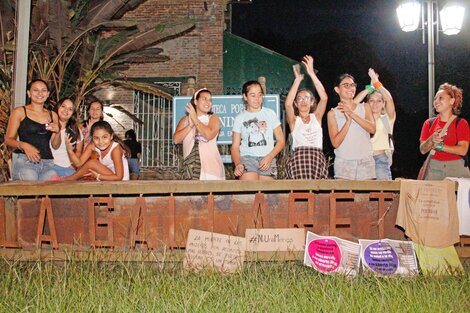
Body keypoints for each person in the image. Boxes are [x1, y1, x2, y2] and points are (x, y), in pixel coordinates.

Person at [5, 79, 60, 180]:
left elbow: (55, 145)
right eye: (35, 90)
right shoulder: (19, 112)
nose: (40, 93)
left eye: (43, 90)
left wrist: (57, 132)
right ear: (29, 93)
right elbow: (8, 139)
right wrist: (24, 145)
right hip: (26, 161)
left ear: (47, 94)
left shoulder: (53, 115)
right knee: (29, 187)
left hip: (48, 163)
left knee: (49, 190)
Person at [231, 80, 285, 180]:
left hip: (268, 158)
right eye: (253, 95)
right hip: (247, 158)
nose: (257, 98)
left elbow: (281, 141)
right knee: (250, 190)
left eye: (260, 95)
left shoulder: (270, 114)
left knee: (267, 194)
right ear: (245, 97)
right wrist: (238, 164)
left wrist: (270, 157)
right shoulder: (239, 118)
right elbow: (235, 147)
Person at [285, 55, 328, 179]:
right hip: (299, 159)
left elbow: (324, 98)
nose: (303, 101)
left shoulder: (317, 117)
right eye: (299, 98)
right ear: (296, 104)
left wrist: (311, 73)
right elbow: (287, 104)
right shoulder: (294, 121)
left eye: (306, 98)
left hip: (316, 158)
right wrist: (297, 80)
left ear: (312, 102)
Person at [327, 74, 376, 180]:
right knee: (344, 197)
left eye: (353, 85)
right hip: (344, 164)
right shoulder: (332, 113)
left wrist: (351, 114)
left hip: (365, 163)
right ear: (337, 89)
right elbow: (335, 143)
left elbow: (372, 129)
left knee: (365, 197)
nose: (351, 88)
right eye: (346, 85)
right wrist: (348, 122)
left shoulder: (365, 107)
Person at [419, 83, 470, 180]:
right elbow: (422, 150)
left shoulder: (461, 123)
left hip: (456, 168)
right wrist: (431, 140)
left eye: (440, 98)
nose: (436, 101)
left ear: (452, 101)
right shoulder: (428, 123)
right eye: (435, 99)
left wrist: (440, 146)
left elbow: (463, 150)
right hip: (434, 167)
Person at [173, 88, 225, 180]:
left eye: (210, 100)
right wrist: (190, 125)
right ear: (196, 101)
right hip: (191, 169)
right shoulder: (185, 120)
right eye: (204, 99)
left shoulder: (213, 118)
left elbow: (209, 135)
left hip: (212, 169)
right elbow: (176, 140)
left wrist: (195, 119)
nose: (208, 102)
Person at [355, 68, 396, 180]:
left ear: (383, 104)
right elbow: (353, 104)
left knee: (383, 194)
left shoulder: (387, 119)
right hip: (363, 159)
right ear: (367, 103)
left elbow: (389, 99)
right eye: (371, 100)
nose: (375, 104)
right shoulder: (362, 118)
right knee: (363, 195)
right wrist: (370, 89)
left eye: (379, 101)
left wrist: (376, 82)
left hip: (380, 159)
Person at [64, 120, 130, 181]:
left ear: (111, 136)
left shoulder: (115, 150)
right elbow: (78, 163)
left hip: (120, 182)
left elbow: (119, 177)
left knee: (93, 163)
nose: (101, 142)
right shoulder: (92, 145)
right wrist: (70, 150)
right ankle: (68, 179)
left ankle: (67, 179)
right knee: (90, 166)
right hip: (108, 179)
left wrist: (98, 176)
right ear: (92, 138)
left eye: (104, 137)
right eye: (96, 138)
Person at [50, 98, 84, 177]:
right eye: (63, 106)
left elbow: (79, 150)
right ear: (58, 107)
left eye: (70, 109)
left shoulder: (75, 130)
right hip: (49, 166)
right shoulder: (49, 126)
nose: (66, 110)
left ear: (72, 113)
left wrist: (73, 164)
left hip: (67, 168)